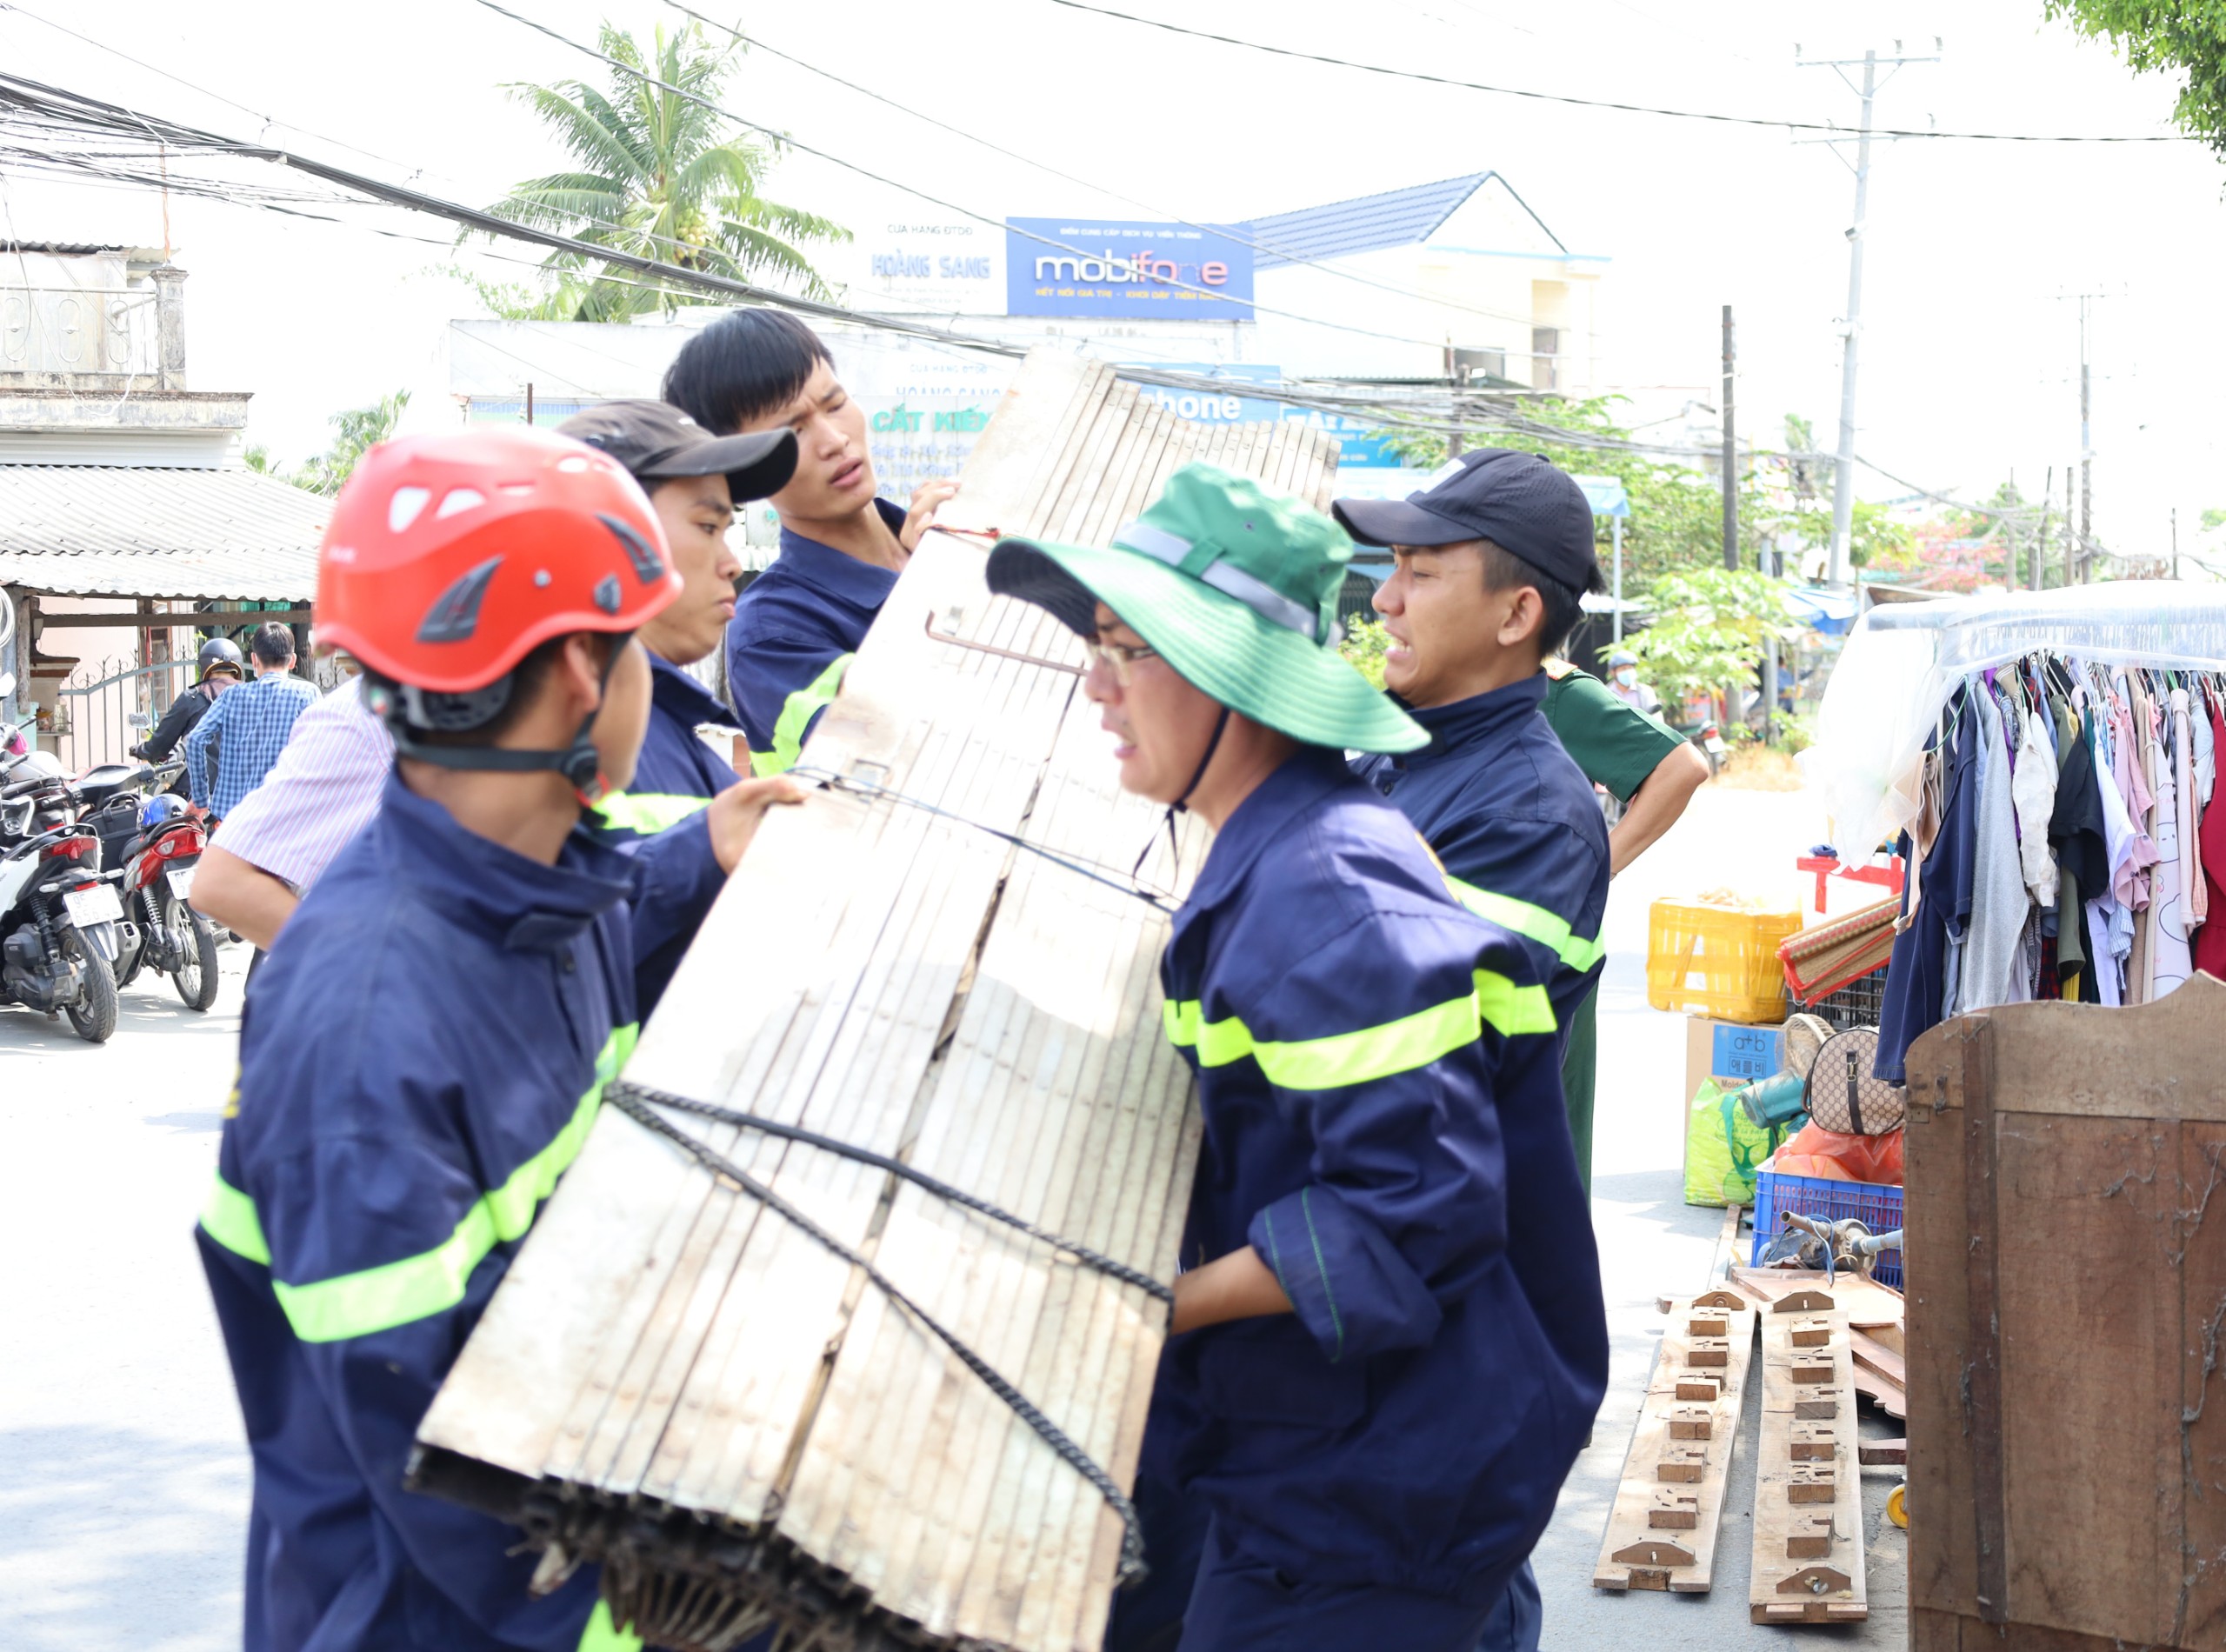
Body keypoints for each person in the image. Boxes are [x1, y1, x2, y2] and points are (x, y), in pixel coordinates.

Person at [985, 463, 1606, 1652]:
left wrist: (1146, 1305)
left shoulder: (1328, 892)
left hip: (1386, 1472)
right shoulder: (1282, 854)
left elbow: (1413, 1212)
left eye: (1131, 648)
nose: (1096, 685)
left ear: (1238, 678)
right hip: (1315, 1443)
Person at [196, 426, 797, 1652]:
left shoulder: (526, 880)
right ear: (584, 672)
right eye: (634, 647)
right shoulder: (368, 1036)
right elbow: (438, 1468)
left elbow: (595, 920)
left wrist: (709, 847)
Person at [192, 404, 796, 1000]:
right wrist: (394, 987)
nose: (732, 562)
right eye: (708, 526)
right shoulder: (387, 714)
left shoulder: (670, 724)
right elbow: (226, 880)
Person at [1332, 450, 1612, 1652]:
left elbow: (1396, 1035)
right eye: (1388, 569)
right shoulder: (1394, 751)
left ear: (1516, 612)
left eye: (1419, 571)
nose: (1385, 599)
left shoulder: (1533, 811)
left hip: (1443, 1322)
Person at [661, 310, 956, 776]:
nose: (835, 440)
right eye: (792, 432)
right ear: (743, 474)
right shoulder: (770, 632)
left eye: (836, 403)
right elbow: (905, 759)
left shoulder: (950, 540)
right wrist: (947, 588)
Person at [183, 622, 317, 823]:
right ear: (292, 661)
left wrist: (201, 799)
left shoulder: (231, 696)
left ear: (254, 660)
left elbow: (195, 739)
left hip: (232, 819)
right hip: (285, 816)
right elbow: (324, 747)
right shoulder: (306, 694)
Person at [135, 636, 244, 794]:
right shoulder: (255, 698)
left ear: (204, 666)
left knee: (161, 811)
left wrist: (142, 750)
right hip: (244, 794)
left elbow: (161, 742)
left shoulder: (193, 697)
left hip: (197, 793)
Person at [1603, 647, 1661, 716]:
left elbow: (1656, 718)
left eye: (1630, 668)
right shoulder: (1605, 693)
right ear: (1613, 672)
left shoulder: (1646, 691)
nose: (1627, 671)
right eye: (1623, 669)